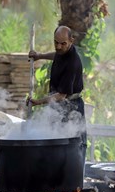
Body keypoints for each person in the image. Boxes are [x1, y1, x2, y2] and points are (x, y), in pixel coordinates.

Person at [27, 25, 87, 158]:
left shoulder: (73, 62)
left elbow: (61, 95)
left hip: (71, 106)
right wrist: (39, 56)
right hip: (58, 103)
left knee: (74, 145)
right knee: (54, 140)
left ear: (71, 40)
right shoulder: (63, 52)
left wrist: (38, 102)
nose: (59, 46)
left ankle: (74, 176)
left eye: (63, 44)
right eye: (56, 42)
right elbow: (57, 55)